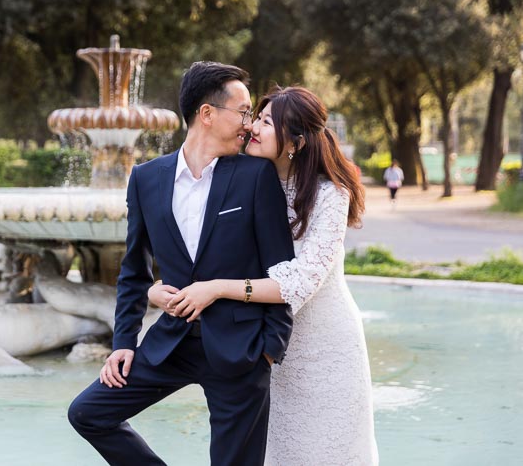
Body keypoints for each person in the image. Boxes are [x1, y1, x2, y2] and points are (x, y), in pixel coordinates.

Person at [68, 62, 295, 466]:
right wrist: (122, 343)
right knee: (88, 414)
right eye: (243, 111)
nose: (249, 123)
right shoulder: (145, 179)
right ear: (207, 114)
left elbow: (281, 269)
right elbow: (135, 272)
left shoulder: (255, 176)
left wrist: (268, 351)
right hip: (170, 343)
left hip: (241, 351)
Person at [150, 86, 379, 465]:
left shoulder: (330, 195)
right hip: (266, 346)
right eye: (256, 116)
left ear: (296, 141)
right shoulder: (250, 182)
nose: (253, 126)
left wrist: (217, 288)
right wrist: (157, 288)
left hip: (327, 349)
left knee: (329, 450)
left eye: (267, 121)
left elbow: (300, 283)